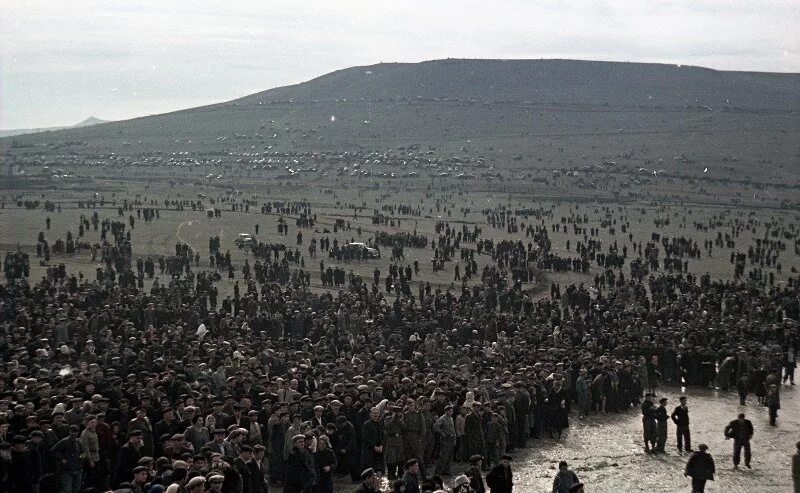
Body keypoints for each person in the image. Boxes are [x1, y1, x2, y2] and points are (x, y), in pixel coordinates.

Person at [50, 425, 83, 493]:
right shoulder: (64, 441)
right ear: (69, 432)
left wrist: (82, 456)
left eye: (76, 432)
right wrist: (62, 459)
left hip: (78, 468)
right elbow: (53, 450)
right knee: (67, 489)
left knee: (76, 488)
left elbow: (83, 451)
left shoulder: (79, 441)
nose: (74, 433)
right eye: (72, 432)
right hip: (67, 470)